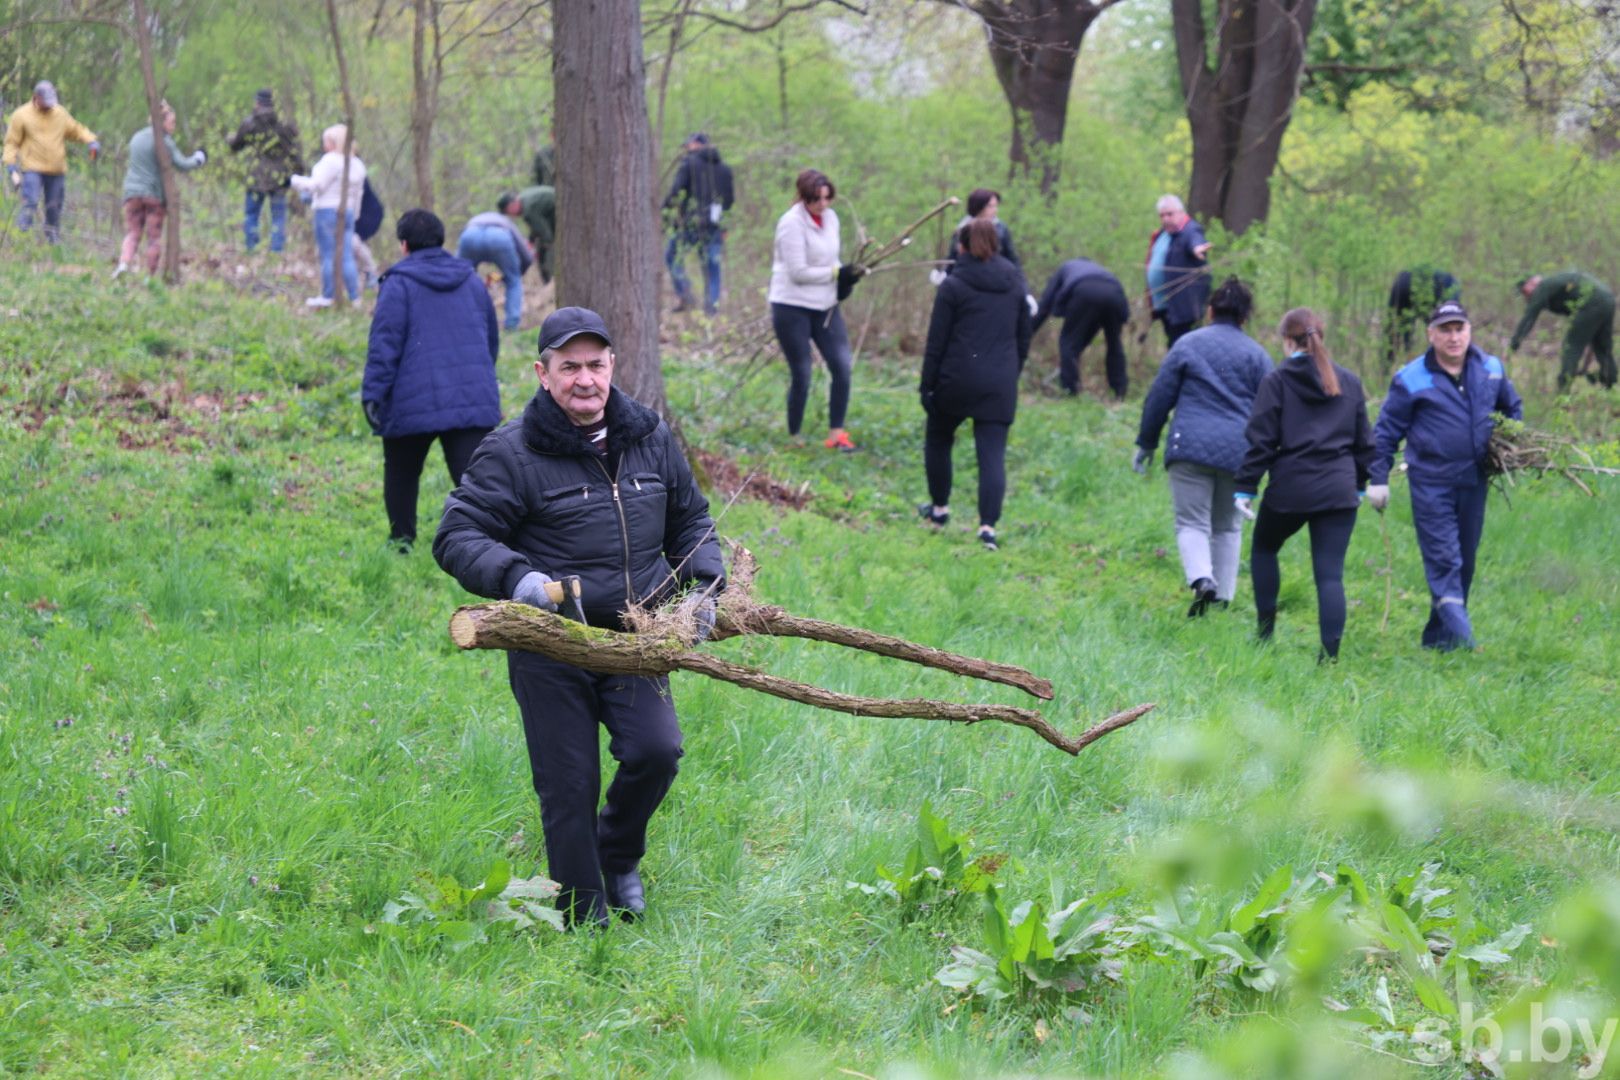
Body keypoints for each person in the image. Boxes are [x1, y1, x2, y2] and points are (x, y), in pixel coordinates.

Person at [433, 306, 725, 928]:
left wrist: (704, 590)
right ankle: (583, 918)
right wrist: (518, 577)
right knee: (568, 786)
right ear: (543, 374)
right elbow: (458, 533)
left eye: (596, 365)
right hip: (552, 643)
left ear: (613, 367)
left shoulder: (650, 436)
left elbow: (693, 522)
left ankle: (617, 857)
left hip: (636, 637)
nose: (585, 380)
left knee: (656, 751)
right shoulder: (512, 451)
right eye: (570, 368)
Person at [1369, 300, 1523, 651]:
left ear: (1469, 331)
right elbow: (1386, 432)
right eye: (1445, 330)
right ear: (1431, 335)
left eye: (1459, 329)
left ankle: (1439, 641)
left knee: (1465, 563)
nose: (1453, 337)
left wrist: (1509, 443)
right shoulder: (1411, 378)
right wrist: (1378, 479)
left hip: (1474, 480)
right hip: (1431, 482)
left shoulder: (1491, 369)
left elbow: (1511, 408)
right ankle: (1467, 641)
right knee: (1444, 560)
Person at [1233, 309, 1375, 662]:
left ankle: (1264, 636)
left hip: (1291, 489)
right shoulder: (1350, 382)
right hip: (1339, 491)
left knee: (1264, 549)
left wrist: (1246, 487)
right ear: (1320, 337)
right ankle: (1330, 659)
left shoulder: (1276, 381)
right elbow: (1364, 443)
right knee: (1330, 576)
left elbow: (1261, 440)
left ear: (1286, 340)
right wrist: (1359, 484)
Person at [1133, 278, 1272, 616]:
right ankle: (1222, 597)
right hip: (1239, 454)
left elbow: (1159, 397)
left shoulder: (1187, 344)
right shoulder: (1259, 356)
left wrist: (1146, 443)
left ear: (1210, 310)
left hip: (1189, 449)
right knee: (1227, 526)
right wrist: (1269, 456)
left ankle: (1201, 579)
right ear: (1245, 317)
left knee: (1191, 522)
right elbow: (1271, 410)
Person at [363, 208, 501, 547]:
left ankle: (401, 542)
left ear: (404, 245)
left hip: (412, 400)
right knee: (475, 480)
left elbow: (385, 343)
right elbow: (490, 339)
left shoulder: (398, 283)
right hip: (470, 398)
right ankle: (487, 544)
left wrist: (373, 395)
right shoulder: (470, 279)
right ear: (441, 241)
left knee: (401, 473)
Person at [917, 219, 1032, 552]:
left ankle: (939, 510)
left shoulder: (953, 285)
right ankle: (987, 528)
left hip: (956, 379)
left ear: (962, 246)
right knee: (992, 455)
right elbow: (1025, 333)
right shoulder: (1014, 280)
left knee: (939, 438)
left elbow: (936, 341)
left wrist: (927, 386)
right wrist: (1012, 369)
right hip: (999, 381)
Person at [767, 168, 866, 451]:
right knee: (803, 372)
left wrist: (846, 278)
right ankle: (794, 434)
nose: (823, 204)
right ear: (804, 197)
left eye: (827, 198)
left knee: (842, 366)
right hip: (792, 305)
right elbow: (798, 271)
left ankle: (837, 434)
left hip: (825, 305)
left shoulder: (831, 218)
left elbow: (830, 259)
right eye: (816, 200)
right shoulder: (790, 224)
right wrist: (836, 273)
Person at [115, 101, 206, 278]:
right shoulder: (164, 141)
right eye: (172, 122)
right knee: (153, 238)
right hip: (153, 196)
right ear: (162, 122)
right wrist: (199, 158)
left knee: (133, 233)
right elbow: (183, 164)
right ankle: (149, 276)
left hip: (131, 193)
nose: (174, 126)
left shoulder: (136, 137)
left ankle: (123, 265)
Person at [3, 80, 99, 243]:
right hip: (32, 168)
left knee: (54, 207)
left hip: (57, 169)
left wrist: (91, 141)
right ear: (36, 98)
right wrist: (11, 166)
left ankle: (52, 240)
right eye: (45, 102)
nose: (49, 105)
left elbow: (75, 130)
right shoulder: (21, 115)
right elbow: (12, 142)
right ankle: (20, 237)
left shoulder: (59, 113)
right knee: (30, 201)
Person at [1032, 257, 1131, 399]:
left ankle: (1070, 392)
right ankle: (1119, 392)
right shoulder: (1099, 270)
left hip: (1084, 291)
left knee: (1067, 344)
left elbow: (1044, 306)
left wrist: (1026, 333)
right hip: (1115, 293)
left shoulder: (1065, 267)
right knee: (1114, 344)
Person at [289, 125, 367, 307]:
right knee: (347, 255)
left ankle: (328, 295)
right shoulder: (357, 164)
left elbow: (317, 185)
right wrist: (354, 215)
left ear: (332, 143)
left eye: (325, 141)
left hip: (326, 211)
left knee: (328, 254)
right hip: (347, 212)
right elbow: (358, 194)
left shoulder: (330, 161)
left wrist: (293, 181)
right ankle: (355, 297)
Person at [662, 132, 735, 315]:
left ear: (696, 144)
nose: (686, 149)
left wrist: (663, 213)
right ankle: (712, 311)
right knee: (712, 269)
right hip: (714, 226)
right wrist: (724, 226)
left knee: (672, 257)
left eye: (688, 145)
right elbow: (729, 201)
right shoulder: (725, 170)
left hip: (689, 224)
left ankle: (685, 293)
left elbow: (676, 192)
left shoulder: (689, 164)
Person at [227, 89, 303, 254]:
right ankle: (276, 253)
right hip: (280, 178)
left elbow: (236, 146)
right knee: (278, 217)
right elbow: (294, 151)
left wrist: (231, 139)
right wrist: (299, 172)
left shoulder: (250, 123)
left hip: (256, 176)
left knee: (251, 215)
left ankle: (252, 251)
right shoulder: (284, 124)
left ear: (257, 102)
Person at [1510, 271, 1616, 390]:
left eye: (1524, 292)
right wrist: (1586, 365)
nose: (1526, 298)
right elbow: (1591, 334)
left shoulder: (1543, 287)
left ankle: (1563, 391)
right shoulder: (1554, 285)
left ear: (1531, 284)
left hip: (1593, 301)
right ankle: (1610, 384)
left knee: (1571, 346)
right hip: (1608, 299)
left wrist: (1513, 346)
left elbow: (1529, 318)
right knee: (1603, 347)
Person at [458, 197, 535, 330]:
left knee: (463, 278)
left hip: (470, 234)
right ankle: (511, 325)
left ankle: (465, 319)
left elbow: (456, 267)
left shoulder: (477, 219)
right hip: (499, 237)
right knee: (514, 280)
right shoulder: (506, 222)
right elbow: (526, 256)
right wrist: (516, 273)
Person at [1144, 194, 1212, 346]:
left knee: (1182, 347)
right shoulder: (1161, 234)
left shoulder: (1190, 230)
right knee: (1173, 345)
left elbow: (1195, 240)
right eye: (1162, 215)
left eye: (1170, 214)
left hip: (1182, 308)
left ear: (1181, 213)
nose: (1165, 219)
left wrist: (1197, 248)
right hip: (1164, 306)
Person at [1384, 266, 1459, 372]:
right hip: (1410, 285)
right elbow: (1450, 319)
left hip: (1403, 282)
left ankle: (1387, 366)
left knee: (1397, 331)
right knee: (1442, 327)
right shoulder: (1451, 284)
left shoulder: (1448, 282)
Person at [944, 188, 1020, 269]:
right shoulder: (962, 229)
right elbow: (953, 260)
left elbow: (1012, 258)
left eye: (996, 206)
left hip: (997, 275)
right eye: (990, 206)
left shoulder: (1001, 229)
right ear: (979, 206)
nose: (995, 210)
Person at [499, 186, 555, 285]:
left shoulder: (527, 211)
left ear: (512, 205)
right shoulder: (524, 199)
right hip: (552, 207)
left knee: (544, 251)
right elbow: (537, 226)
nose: (512, 215)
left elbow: (545, 232)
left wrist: (540, 250)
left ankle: (550, 282)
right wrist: (531, 241)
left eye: (508, 212)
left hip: (556, 209)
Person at [353, 177, 384, 290]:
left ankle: (371, 274)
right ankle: (368, 275)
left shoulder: (357, 175)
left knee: (355, 242)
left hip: (368, 215)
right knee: (355, 244)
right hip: (360, 215)